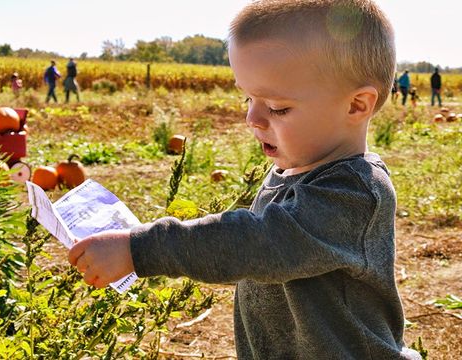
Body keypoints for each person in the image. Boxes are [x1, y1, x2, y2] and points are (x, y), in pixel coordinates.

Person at [68, 1, 421, 359]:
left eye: (277, 107)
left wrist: (141, 248)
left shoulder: (355, 191)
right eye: (249, 97)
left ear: (356, 105)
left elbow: (259, 243)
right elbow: (240, 237)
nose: (252, 118)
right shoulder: (288, 173)